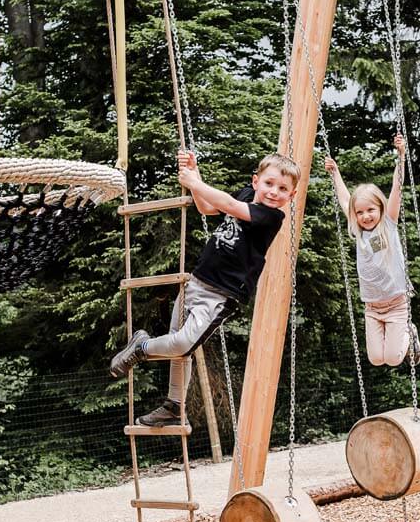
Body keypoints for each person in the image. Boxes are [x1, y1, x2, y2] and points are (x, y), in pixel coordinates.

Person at [110, 150, 300, 427]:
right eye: (269, 184)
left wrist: (194, 182)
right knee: (180, 349)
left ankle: (142, 347)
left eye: (283, 189)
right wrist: (194, 174)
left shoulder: (271, 217)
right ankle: (174, 406)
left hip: (221, 294)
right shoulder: (247, 194)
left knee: (183, 343)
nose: (274, 192)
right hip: (197, 281)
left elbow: (231, 207)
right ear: (256, 181)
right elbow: (208, 208)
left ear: (291, 196)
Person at [324, 135, 420, 367]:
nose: (365, 216)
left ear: (380, 208)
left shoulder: (388, 224)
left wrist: (401, 156)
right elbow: (345, 199)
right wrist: (335, 173)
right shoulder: (359, 232)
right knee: (377, 359)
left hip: (397, 303)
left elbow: (396, 187)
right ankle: (399, 337)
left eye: (370, 210)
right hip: (372, 307)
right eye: (360, 213)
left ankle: (410, 332)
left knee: (394, 358)